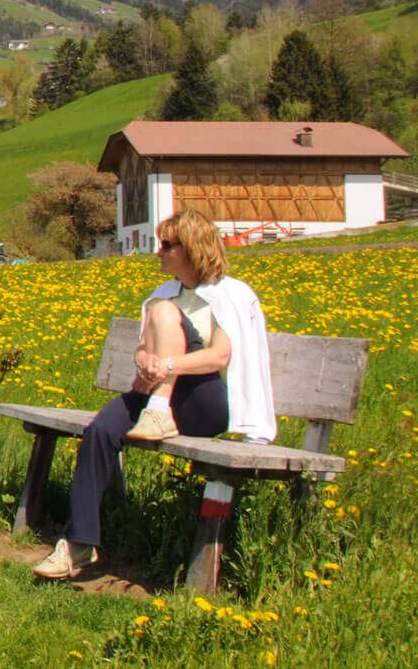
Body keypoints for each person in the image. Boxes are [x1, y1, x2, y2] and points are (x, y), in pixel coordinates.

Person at [33, 210, 274, 580]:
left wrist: (167, 366)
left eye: (166, 245)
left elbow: (219, 357)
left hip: (202, 403)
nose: (158, 252)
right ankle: (77, 543)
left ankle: (159, 408)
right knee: (100, 431)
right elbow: (143, 348)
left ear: (192, 248)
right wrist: (145, 361)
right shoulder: (164, 294)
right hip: (157, 394)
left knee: (164, 313)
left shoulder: (231, 295)